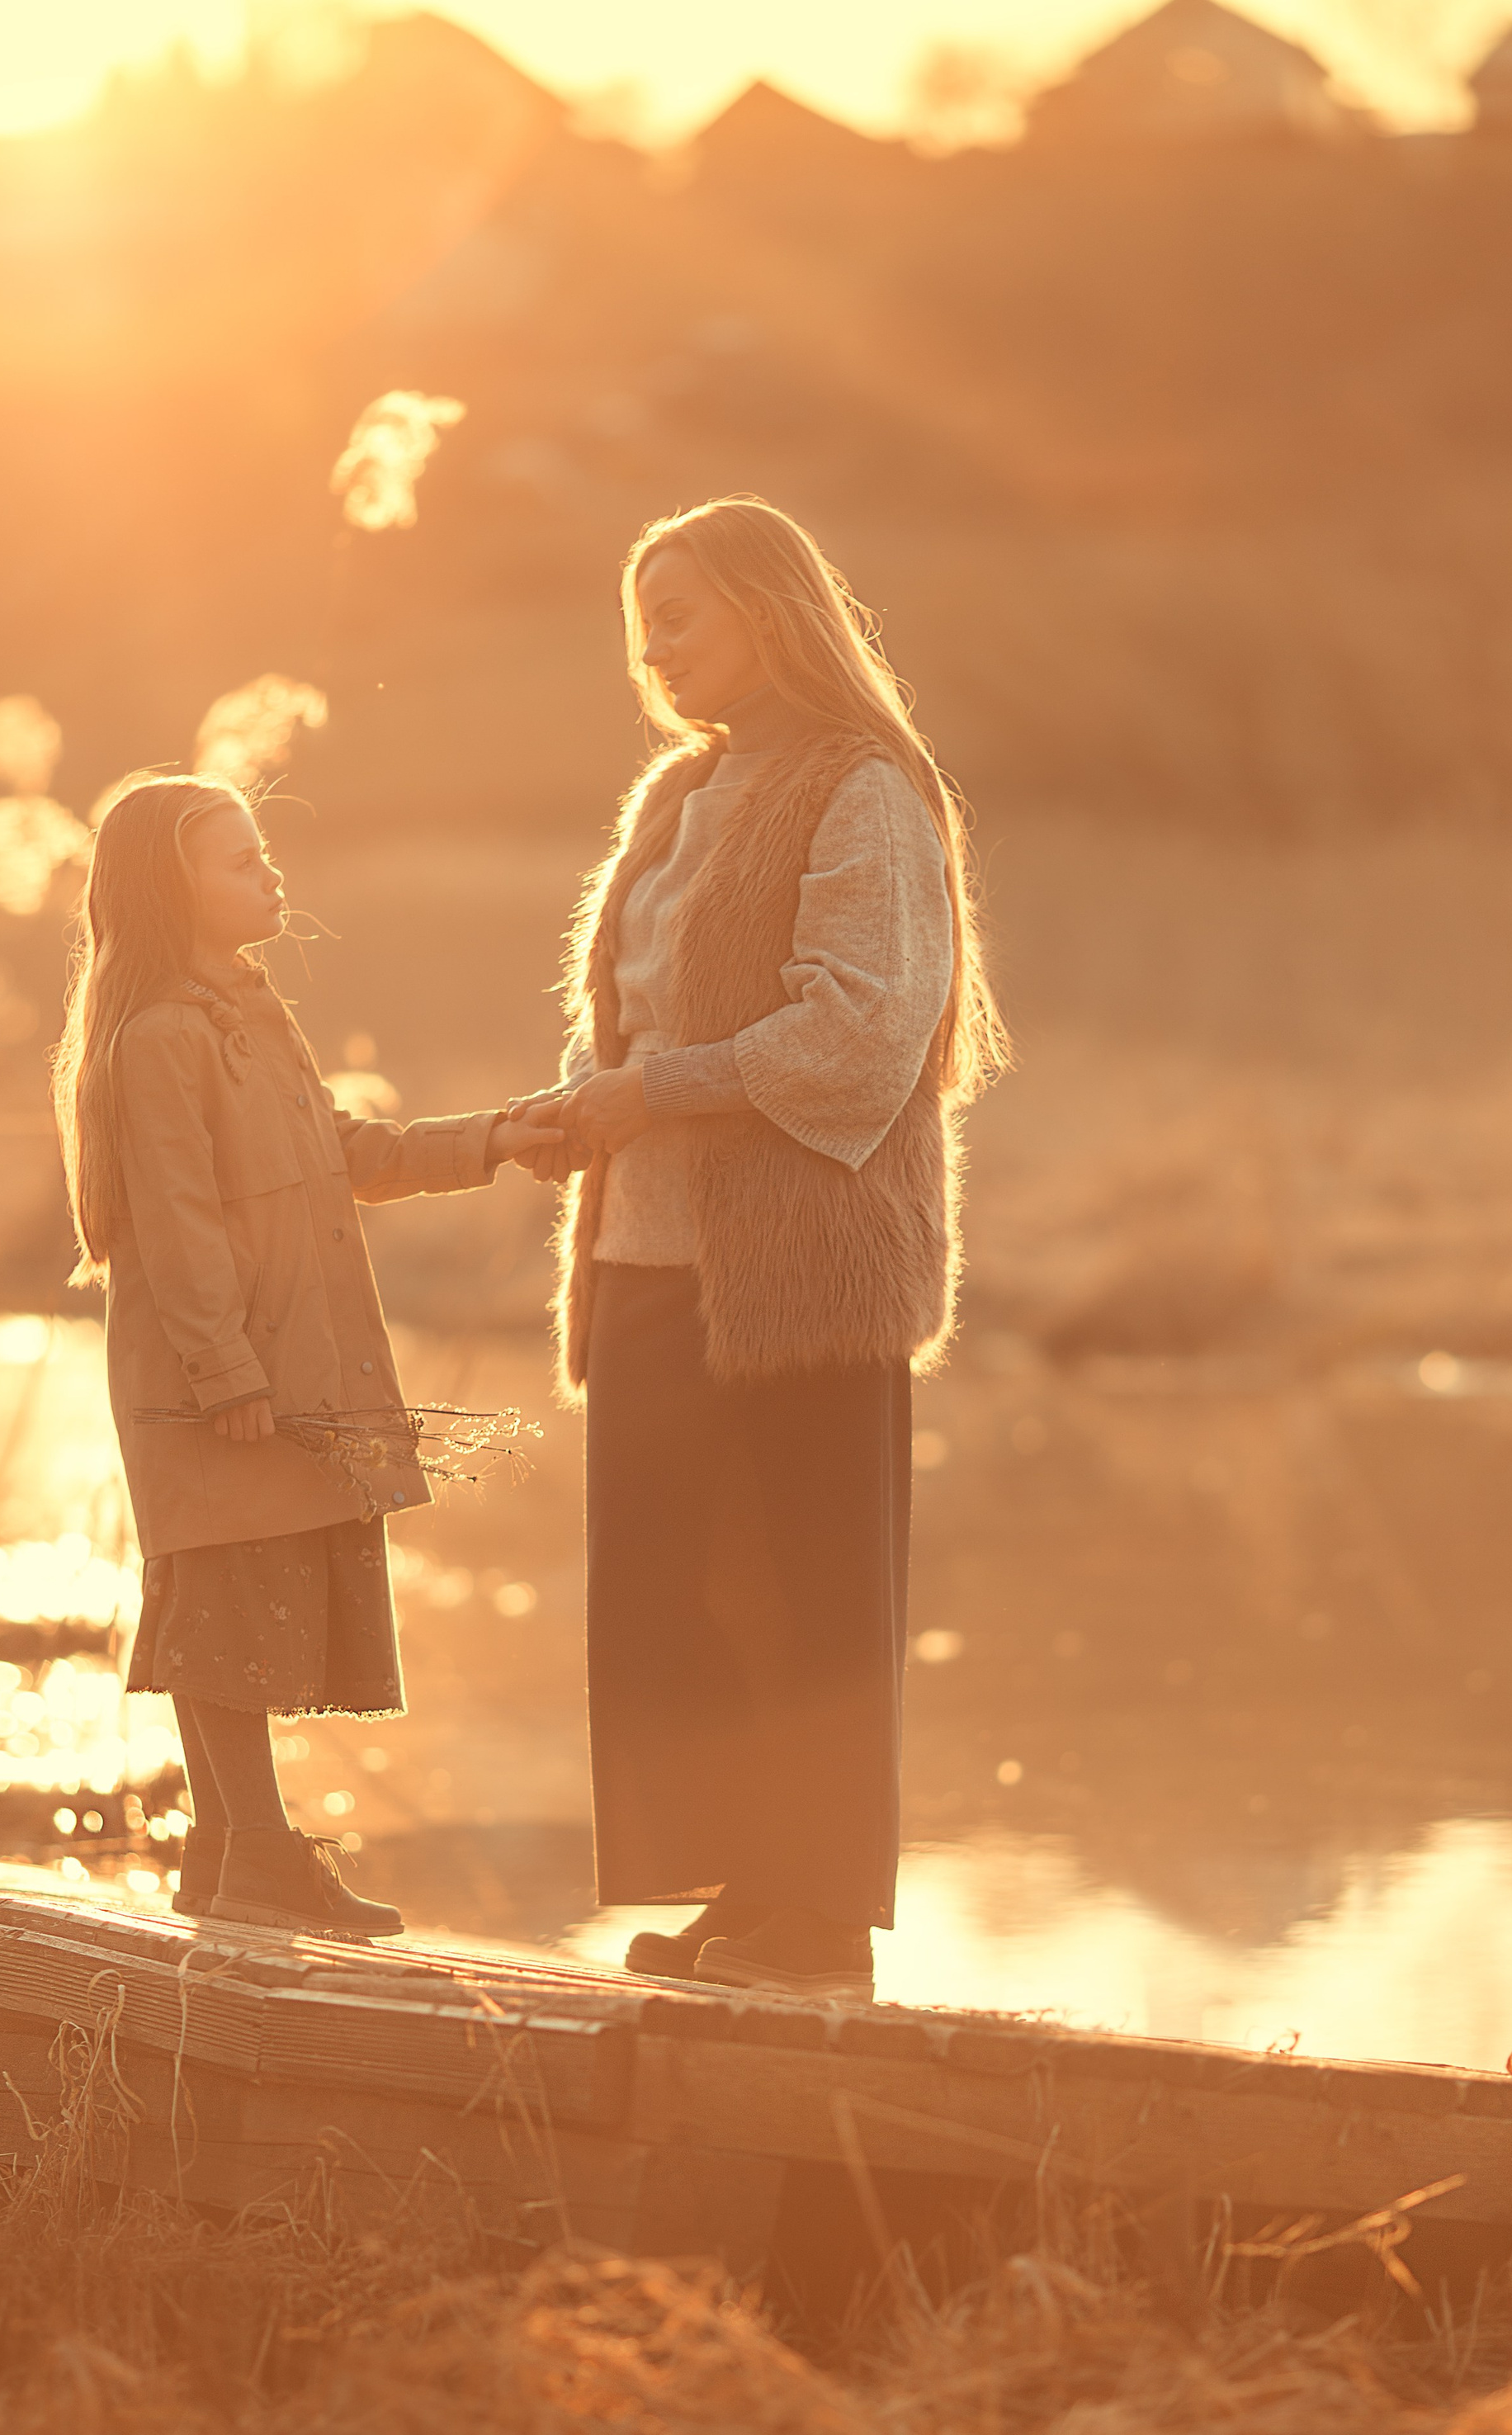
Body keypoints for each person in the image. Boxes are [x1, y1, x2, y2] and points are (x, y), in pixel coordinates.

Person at [513, 495, 1007, 2001]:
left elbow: (861, 1034)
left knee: (807, 1593)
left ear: (770, 613)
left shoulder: (865, 787)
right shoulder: (677, 793)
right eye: (639, 624)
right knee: (684, 1587)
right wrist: (586, 1111)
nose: (654, 651)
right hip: (650, 1256)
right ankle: (742, 1894)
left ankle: (821, 1923)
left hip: (803, 1268)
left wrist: (644, 1093)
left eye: (681, 616)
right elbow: (648, 1010)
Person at [54, 773, 563, 1935]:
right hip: (217, 1380)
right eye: (239, 860)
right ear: (165, 893)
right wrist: (228, 1372)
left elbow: (342, 1155)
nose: (270, 871)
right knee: (221, 1607)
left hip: (281, 1365)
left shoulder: (250, 1015)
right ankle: (261, 1859)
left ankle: (227, 1853)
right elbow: (177, 1227)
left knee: (228, 1599)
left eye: (262, 851)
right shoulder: (160, 1041)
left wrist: (491, 1140)